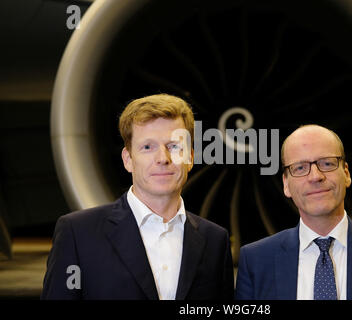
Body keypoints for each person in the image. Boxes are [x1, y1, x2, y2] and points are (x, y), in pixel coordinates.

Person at [42, 94, 234, 300]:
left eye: (174, 146)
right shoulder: (78, 235)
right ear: (128, 159)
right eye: (147, 147)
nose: (163, 159)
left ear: (190, 158)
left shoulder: (215, 241)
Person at [235, 124, 352, 300]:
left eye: (327, 163)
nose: (316, 176)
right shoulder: (256, 261)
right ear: (286, 184)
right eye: (300, 168)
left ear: (346, 173)